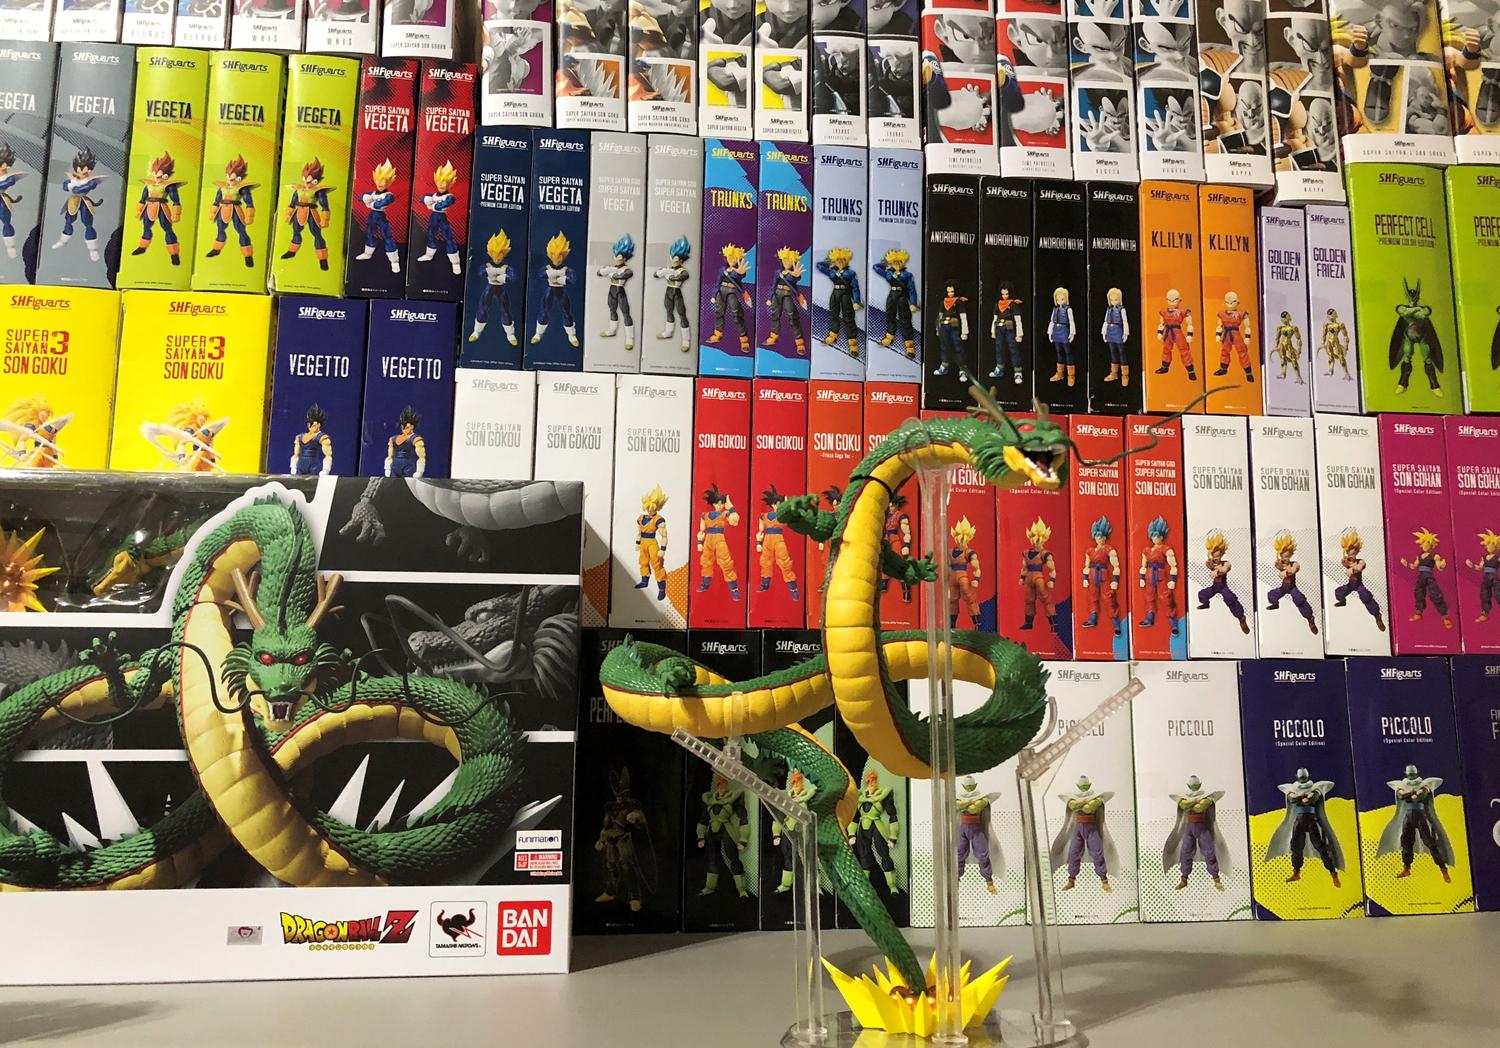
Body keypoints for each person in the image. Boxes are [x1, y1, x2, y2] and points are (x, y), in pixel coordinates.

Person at [1267, 769, 1344, 886]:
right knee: (1296, 847)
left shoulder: (1316, 787)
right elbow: (1292, 799)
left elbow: (1311, 799)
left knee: (1321, 847)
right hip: (1299, 820)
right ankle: (1296, 872)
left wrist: (1303, 797)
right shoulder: (1293, 788)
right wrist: (1303, 796)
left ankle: (1333, 873)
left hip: (1311, 820)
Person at [1378, 765, 1455, 882]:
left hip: (1420, 816)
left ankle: (1443, 869)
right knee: (1406, 842)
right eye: (1410, 774)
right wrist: (1412, 793)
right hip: (1408, 816)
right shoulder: (1402, 785)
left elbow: (1420, 796)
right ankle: (1407, 868)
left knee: (1430, 843)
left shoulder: (1424, 784)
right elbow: (1402, 795)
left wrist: (1414, 793)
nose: (1411, 777)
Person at [1049, 776, 1118, 892]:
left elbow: (1088, 809)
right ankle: (1071, 880)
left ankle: (1104, 881)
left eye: (1086, 786)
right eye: (1082, 786)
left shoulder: (1097, 798)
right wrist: (1085, 802)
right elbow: (1073, 805)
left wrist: (1087, 803)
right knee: (1073, 853)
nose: (1084, 788)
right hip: (1078, 829)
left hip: (1091, 828)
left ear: (1089, 785)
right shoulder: (1074, 798)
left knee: (1097, 853)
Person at [1164, 775, 1229, 891]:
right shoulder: (1187, 798)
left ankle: (1216, 880)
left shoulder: (1207, 798)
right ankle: (1184, 879)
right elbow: (1184, 804)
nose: (1194, 787)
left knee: (1209, 852)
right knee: (1185, 853)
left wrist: (1195, 802)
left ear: (1199, 785)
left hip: (1203, 828)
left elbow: (1199, 807)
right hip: (1189, 828)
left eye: (1195, 786)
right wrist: (1195, 801)